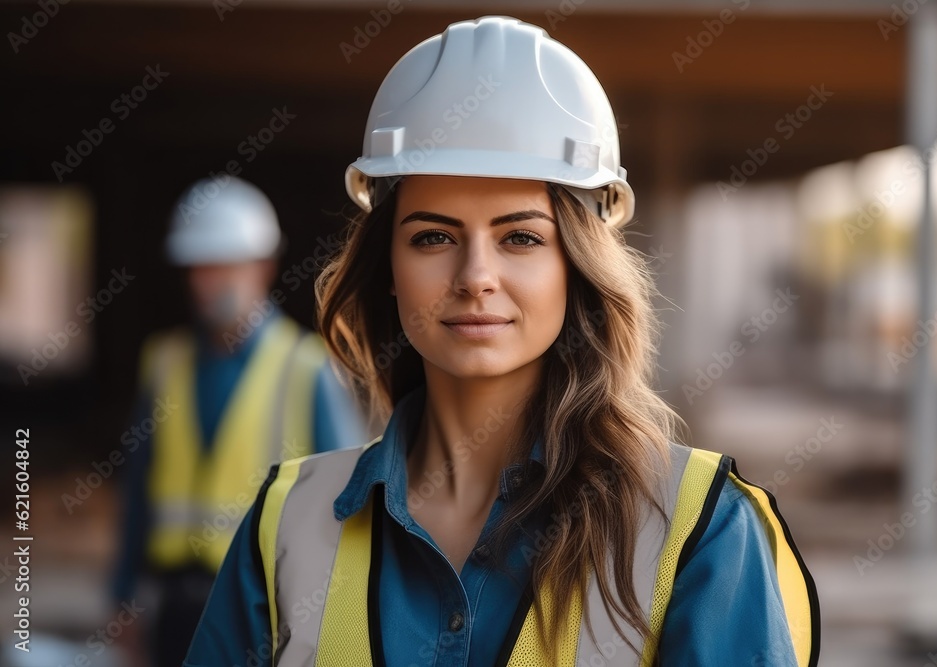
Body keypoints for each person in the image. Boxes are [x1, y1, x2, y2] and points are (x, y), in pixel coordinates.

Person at [184, 16, 819, 666]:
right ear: (390, 271)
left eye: (521, 237)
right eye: (433, 236)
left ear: (575, 266)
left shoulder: (701, 530)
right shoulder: (286, 524)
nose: (475, 277)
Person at [112, 176, 370, 667]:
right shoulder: (165, 363)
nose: (207, 282)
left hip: (267, 610)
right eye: (199, 267)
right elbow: (137, 488)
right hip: (175, 607)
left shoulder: (307, 369)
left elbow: (351, 506)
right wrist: (123, 597)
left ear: (263, 266)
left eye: (223, 266)